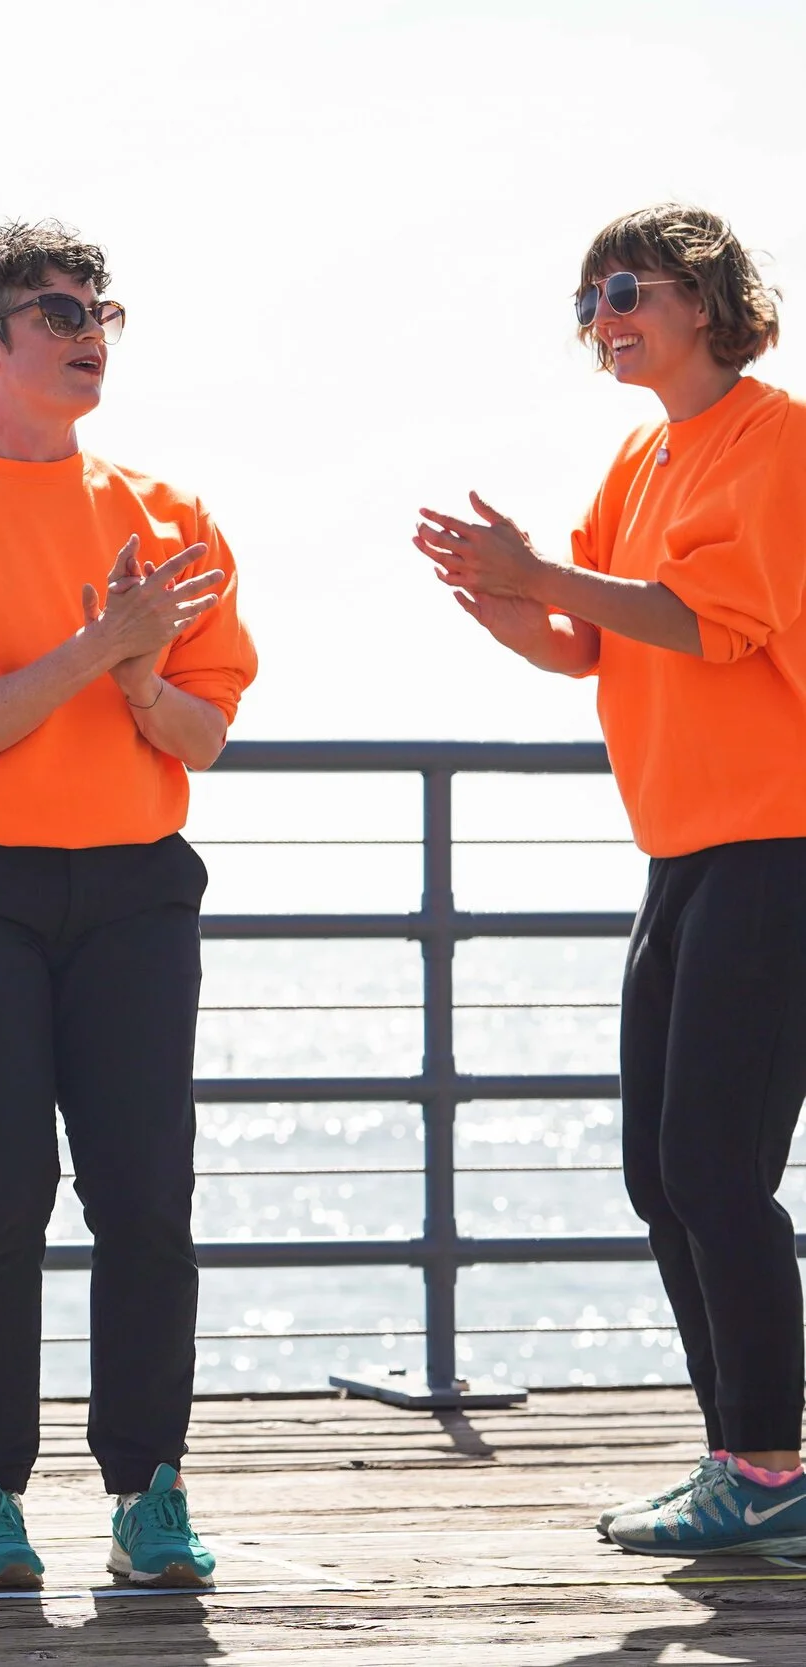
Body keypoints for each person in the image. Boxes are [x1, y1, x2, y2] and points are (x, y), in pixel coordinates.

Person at [0, 220, 256, 1590]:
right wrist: (103, 646)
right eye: (57, 309)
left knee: (147, 1192)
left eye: (101, 309)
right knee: (2, 1185)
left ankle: (150, 1488)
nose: (89, 329)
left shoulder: (169, 516)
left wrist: (139, 681)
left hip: (134, 883)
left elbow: (200, 738)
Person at [416, 203, 806, 1558]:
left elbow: (714, 622)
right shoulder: (641, 462)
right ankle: (744, 1461)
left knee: (715, 1161)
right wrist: (506, 596)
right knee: (661, 1168)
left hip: (781, 839)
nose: (604, 316)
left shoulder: (777, 438)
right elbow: (596, 642)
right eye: (588, 299)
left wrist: (547, 574)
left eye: (626, 287)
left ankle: (771, 1464)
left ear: (704, 295)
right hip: (688, 848)